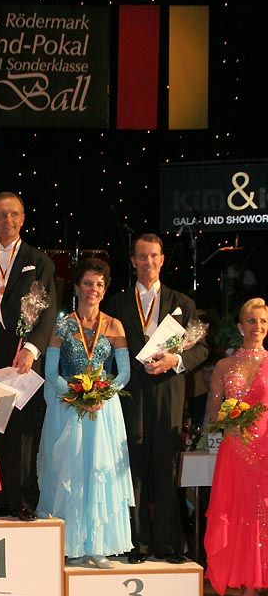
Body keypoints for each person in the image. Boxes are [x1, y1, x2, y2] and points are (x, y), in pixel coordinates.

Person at [107, 233, 209, 564]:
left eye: (153, 256)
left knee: (167, 465)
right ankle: (137, 543)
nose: (148, 262)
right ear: (132, 261)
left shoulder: (183, 302)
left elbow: (201, 349)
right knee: (133, 466)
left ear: (162, 260)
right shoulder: (117, 303)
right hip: (130, 393)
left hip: (169, 391)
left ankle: (167, 544)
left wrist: (175, 360)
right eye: (141, 256)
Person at [37, 258, 133, 567]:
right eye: (88, 283)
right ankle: (70, 543)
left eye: (100, 284)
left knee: (98, 473)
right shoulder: (63, 325)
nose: (94, 289)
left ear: (105, 290)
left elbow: (124, 373)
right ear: (77, 287)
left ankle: (98, 545)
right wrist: (77, 394)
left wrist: (101, 394)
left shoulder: (114, 325)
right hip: (69, 408)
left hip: (103, 411)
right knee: (71, 472)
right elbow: (51, 372)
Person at [0, 191, 57, 521]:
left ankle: (24, 500)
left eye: (14, 214)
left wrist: (31, 349)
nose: (8, 220)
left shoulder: (38, 260)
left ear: (23, 218)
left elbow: (48, 310)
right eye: (1, 214)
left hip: (23, 353)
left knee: (24, 429)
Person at [204, 298, 268, 596]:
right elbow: (212, 410)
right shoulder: (224, 366)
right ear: (241, 326)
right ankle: (246, 588)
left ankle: (254, 589)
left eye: (263, 321)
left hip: (265, 450)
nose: (258, 327)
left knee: (260, 514)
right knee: (238, 514)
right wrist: (226, 420)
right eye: (252, 321)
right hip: (235, 450)